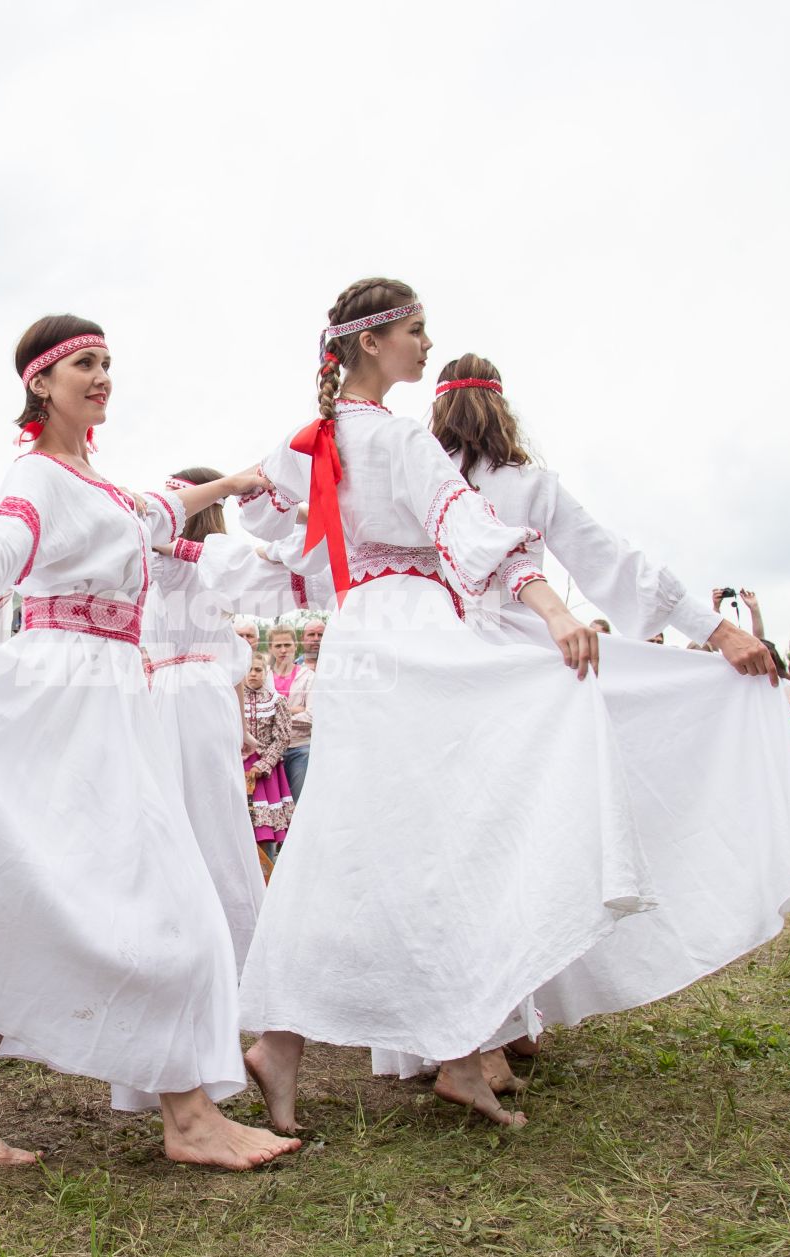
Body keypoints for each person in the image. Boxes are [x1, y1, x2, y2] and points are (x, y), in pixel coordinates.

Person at [0, 313, 298, 1170]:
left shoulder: (94, 481)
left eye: (108, 363)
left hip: (110, 696)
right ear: (41, 383)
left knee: (45, 891)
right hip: (72, 691)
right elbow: (5, 533)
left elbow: (157, 507)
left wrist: (237, 481)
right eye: (85, 365)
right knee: (170, 897)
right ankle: (190, 1118)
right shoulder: (37, 473)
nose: (102, 377)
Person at [352, 350, 790, 1093]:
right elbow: (615, 561)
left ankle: (489, 1020)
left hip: (434, 671)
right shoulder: (527, 485)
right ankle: (488, 1027)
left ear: (436, 413)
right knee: (520, 840)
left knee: (452, 846)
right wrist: (718, 631)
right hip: (523, 667)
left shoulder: (418, 475)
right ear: (503, 410)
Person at [232, 286, 614, 1130]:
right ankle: (460, 1053)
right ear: (369, 344)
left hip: (360, 633)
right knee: (448, 836)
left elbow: (270, 507)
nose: (425, 344)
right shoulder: (400, 437)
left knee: (358, 838)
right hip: (412, 632)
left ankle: (304, 1048)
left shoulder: (319, 439)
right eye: (413, 332)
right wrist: (555, 610)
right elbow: (468, 530)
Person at [139, 466, 266, 971]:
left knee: (192, 814)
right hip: (192, 693)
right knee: (202, 810)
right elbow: (231, 662)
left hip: (180, 694)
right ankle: (201, 939)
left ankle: (203, 943)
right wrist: (238, 728)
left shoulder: (175, 564)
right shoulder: (207, 566)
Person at [239, 652, 294, 867]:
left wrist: (263, 764)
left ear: (266, 672)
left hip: (266, 771)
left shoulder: (276, 700)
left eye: (257, 669)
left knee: (266, 827)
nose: (252, 674)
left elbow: (282, 738)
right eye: (248, 669)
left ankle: (268, 873)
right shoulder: (232, 699)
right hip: (238, 767)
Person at [263, 624, 314, 800]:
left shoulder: (308, 676)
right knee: (273, 804)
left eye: (287, 645)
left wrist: (277, 714)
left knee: (298, 801)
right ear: (270, 648)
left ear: (295, 646)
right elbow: (256, 711)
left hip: (299, 746)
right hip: (268, 749)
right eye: (278, 646)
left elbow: (312, 716)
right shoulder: (263, 677)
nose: (283, 650)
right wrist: (294, 710)